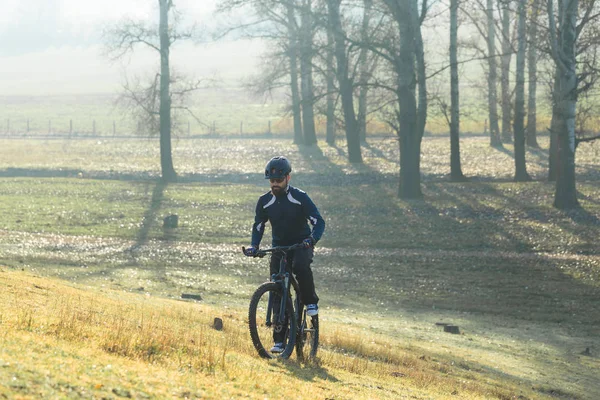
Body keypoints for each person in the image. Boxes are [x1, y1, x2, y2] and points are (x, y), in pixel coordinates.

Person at [244, 156, 325, 353]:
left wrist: (311, 240)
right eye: (272, 181)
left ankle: (311, 301)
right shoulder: (264, 201)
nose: (275, 184)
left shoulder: (299, 197)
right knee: (277, 288)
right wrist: (254, 246)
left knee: (300, 266)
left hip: (301, 244)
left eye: (279, 180)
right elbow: (259, 225)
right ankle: (279, 340)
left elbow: (318, 222)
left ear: (288, 178)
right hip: (279, 247)